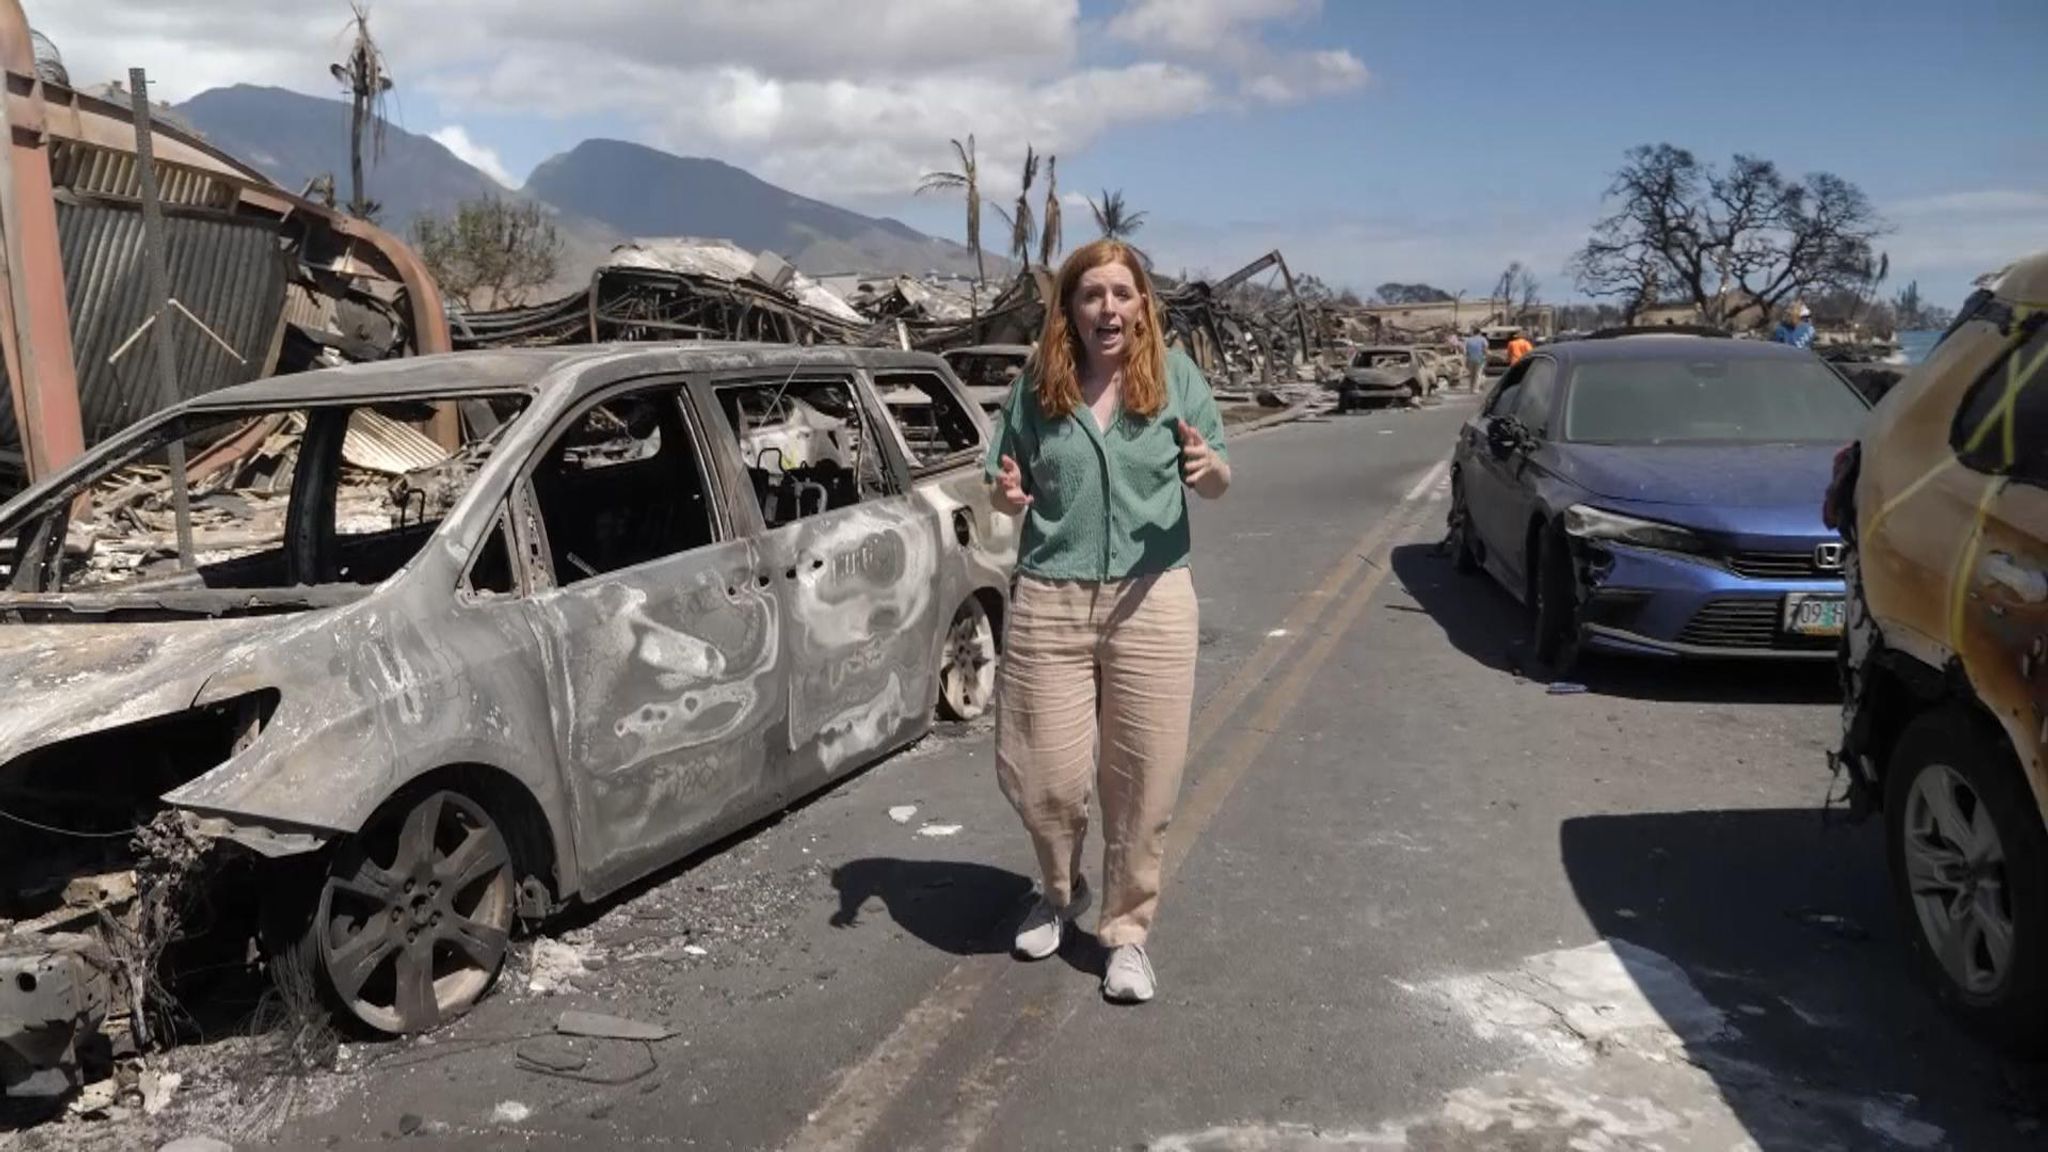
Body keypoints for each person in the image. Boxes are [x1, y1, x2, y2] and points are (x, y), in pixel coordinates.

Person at [984, 238, 1232, 1005]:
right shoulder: (1038, 383)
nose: (1108, 308)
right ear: (1071, 308)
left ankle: (1126, 934)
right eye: (1092, 295)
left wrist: (1208, 470)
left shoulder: (1175, 378)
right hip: (1049, 599)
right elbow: (999, 479)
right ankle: (1059, 890)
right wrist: (1005, 496)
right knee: (1041, 774)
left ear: (1142, 306)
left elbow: (1220, 472)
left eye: (1122, 294)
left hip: (1152, 599)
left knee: (1142, 779)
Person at [1463, 327, 1487, 392]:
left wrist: (1466, 359)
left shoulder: (1468, 340)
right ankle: (1475, 389)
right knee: (1478, 374)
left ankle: (1471, 388)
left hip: (1470, 359)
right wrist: (1485, 356)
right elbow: (1485, 349)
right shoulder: (1483, 339)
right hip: (1480, 359)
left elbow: (1465, 351)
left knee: (1472, 374)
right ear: (1479, 333)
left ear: (1473, 332)